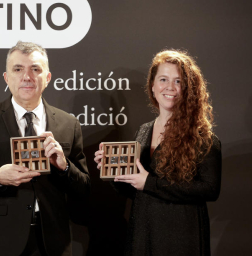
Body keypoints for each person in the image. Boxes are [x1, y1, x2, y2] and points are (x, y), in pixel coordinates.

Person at [0, 41, 90, 256]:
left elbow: (84, 187)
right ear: (7, 78)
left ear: (47, 78)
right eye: (18, 69)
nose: (27, 76)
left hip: (53, 241)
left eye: (35, 69)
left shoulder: (68, 123)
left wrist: (64, 168)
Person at [94, 50, 222, 255]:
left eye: (178, 81)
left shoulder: (202, 137)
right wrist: (112, 170)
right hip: (143, 233)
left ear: (188, 89)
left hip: (181, 236)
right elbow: (134, 189)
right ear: (153, 86)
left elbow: (209, 189)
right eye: (163, 79)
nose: (170, 87)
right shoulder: (144, 130)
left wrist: (150, 182)